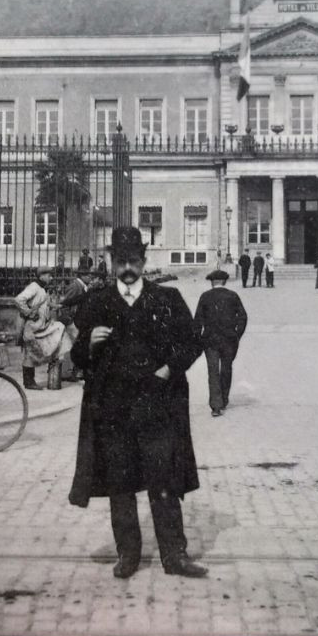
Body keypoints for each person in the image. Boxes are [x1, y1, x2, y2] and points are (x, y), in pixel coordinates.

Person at [68, 226, 209, 580]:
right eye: (121, 261)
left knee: (164, 483)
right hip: (114, 412)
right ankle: (127, 555)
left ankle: (175, 555)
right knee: (121, 485)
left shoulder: (168, 299)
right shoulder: (96, 302)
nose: (127, 268)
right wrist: (87, 344)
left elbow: (192, 343)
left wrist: (167, 369)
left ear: (144, 262)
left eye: (133, 261)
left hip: (157, 408)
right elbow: (77, 358)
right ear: (111, 263)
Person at [194, 269, 248, 417]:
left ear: (212, 282)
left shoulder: (205, 296)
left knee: (213, 372)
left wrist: (198, 338)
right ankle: (223, 400)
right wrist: (237, 334)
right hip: (229, 340)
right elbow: (243, 317)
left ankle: (216, 406)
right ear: (225, 281)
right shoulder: (233, 296)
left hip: (210, 340)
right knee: (226, 369)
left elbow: (197, 320)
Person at [15, 269, 68, 391]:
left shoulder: (41, 288)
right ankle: (29, 382)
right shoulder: (34, 287)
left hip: (39, 325)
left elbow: (45, 303)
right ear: (41, 276)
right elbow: (18, 299)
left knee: (34, 350)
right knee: (29, 353)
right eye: (49, 275)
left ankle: (30, 381)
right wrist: (28, 312)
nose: (51, 278)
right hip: (32, 325)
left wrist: (58, 306)